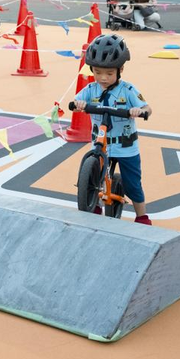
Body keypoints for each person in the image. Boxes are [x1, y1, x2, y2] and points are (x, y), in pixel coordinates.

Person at [69, 34, 154, 226]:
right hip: (100, 145)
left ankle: (142, 216)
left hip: (126, 147)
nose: (102, 78)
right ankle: (93, 204)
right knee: (92, 178)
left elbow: (148, 108)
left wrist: (139, 110)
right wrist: (78, 104)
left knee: (132, 184)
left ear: (120, 69)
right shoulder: (91, 89)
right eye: (97, 72)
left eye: (109, 73)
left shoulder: (128, 90)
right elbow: (75, 101)